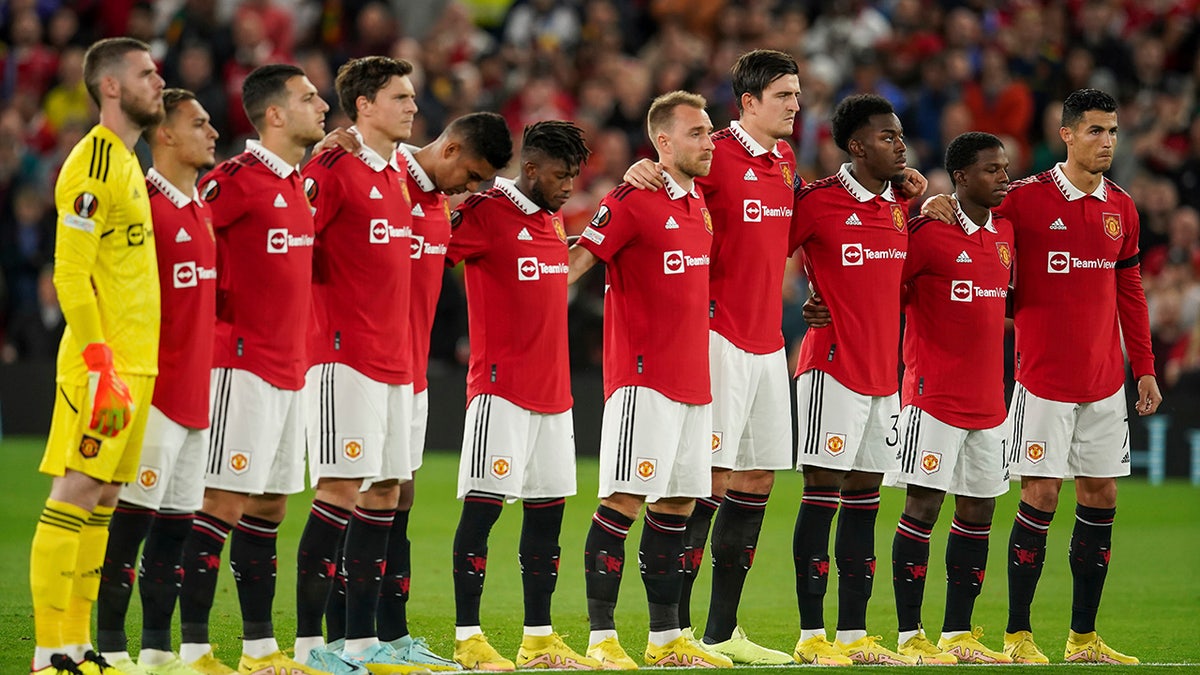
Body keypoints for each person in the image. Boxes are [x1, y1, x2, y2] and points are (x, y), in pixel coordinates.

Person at [619, 50, 929, 666]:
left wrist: (821, 290)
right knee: (704, 483)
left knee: (756, 481)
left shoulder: (784, 162)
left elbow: (790, 243)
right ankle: (670, 634)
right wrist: (641, 170)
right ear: (750, 103)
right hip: (715, 337)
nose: (795, 104)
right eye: (784, 96)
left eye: (797, 94)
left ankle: (720, 631)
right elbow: (666, 192)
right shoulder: (712, 153)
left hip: (766, 346)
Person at [568, 91, 733, 670]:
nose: (709, 141)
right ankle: (602, 641)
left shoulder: (701, 206)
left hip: (695, 383)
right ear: (662, 143)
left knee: (679, 507)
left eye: (710, 131)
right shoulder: (634, 198)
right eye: (696, 133)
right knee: (622, 502)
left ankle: (666, 643)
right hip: (643, 381)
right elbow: (575, 264)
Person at [175, 63, 331, 675]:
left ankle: (261, 651)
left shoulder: (296, 185)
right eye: (309, 98)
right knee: (222, 501)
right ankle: (190, 650)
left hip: (291, 370)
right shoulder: (233, 180)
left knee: (268, 507)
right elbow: (190, 244)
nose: (322, 106)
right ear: (274, 115)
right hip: (240, 366)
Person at [997, 88, 1160, 665]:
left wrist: (1143, 367)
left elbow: (1130, 292)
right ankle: (1018, 635)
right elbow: (972, 237)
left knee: (1102, 495)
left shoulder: (1123, 207)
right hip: (1041, 382)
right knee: (1040, 495)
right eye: (1095, 131)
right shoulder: (1022, 200)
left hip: (1103, 384)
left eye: (1112, 131)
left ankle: (1083, 639)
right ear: (1065, 134)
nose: (1107, 141)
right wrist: (935, 206)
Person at [28, 36, 164, 675]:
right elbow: (69, 274)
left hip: (136, 367)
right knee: (77, 490)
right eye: (145, 73)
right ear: (111, 86)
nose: (157, 81)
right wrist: (101, 360)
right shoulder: (93, 165)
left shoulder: (130, 162)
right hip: (101, 368)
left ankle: (79, 646)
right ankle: (48, 649)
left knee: (105, 499)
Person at [290, 55, 425, 675]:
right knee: (341, 489)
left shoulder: (397, 170)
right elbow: (293, 247)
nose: (413, 107)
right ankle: (304, 649)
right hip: (344, 358)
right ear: (364, 105)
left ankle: (360, 645)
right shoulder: (331, 167)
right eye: (400, 97)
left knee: (387, 492)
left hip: (395, 361)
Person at [446, 120, 598, 671]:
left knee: (546, 520)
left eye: (574, 176)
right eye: (561, 175)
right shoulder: (484, 213)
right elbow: (428, 256)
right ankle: (467, 637)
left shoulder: (552, 222)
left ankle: (538, 641)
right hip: (500, 391)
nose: (568, 186)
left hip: (555, 397)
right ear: (530, 168)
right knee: (483, 515)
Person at [787, 93, 916, 666]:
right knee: (822, 498)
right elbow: (762, 257)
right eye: (888, 137)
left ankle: (852, 636)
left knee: (864, 502)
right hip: (830, 370)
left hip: (882, 378)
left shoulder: (902, 206)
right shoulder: (816, 203)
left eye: (901, 135)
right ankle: (811, 636)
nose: (900, 144)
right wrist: (800, 307)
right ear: (858, 145)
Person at [381, 112, 513, 667]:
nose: (474, 188)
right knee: (361, 498)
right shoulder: (382, 178)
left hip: (410, 373)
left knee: (401, 498)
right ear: (452, 147)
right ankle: (345, 637)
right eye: (475, 174)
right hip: (360, 367)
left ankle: (389, 635)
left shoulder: (440, 208)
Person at [94, 88, 219, 675]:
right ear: (164, 135)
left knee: (175, 536)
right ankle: (111, 651)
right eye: (199, 123)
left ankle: (156, 652)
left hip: (199, 397)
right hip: (152, 396)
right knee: (129, 532)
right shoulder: (142, 207)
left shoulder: (201, 209)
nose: (212, 132)